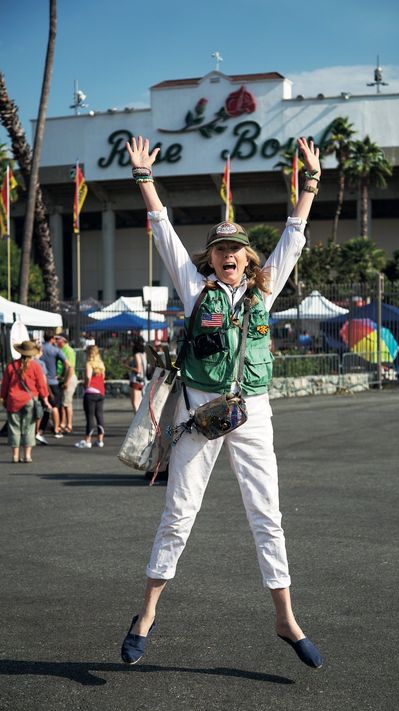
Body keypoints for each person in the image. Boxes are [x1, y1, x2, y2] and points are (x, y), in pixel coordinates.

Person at [120, 135, 324, 670]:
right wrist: (145, 180)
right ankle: (145, 614)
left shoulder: (264, 289)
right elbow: (163, 233)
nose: (229, 255)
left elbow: (295, 238)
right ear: (209, 259)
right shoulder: (196, 291)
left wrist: (311, 183)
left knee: (267, 516)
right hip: (199, 415)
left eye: (236, 249)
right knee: (178, 514)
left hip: (252, 414)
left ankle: (285, 618)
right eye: (219, 249)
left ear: (247, 257)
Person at [1, 340, 52, 463]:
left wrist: (3, 397)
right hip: (30, 400)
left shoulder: (11, 366)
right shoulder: (35, 366)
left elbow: (4, 385)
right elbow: (41, 385)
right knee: (29, 427)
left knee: (14, 428)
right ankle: (27, 455)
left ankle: (15, 456)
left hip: (13, 400)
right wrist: (45, 399)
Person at [38, 329, 70, 441]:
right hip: (53, 381)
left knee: (42, 407)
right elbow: (67, 364)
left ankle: (39, 430)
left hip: (41, 382)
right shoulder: (56, 350)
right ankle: (56, 429)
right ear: (52, 339)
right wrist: (62, 376)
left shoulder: (40, 349)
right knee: (55, 406)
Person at [75, 345, 106, 449]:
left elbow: (88, 376)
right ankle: (100, 440)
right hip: (100, 392)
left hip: (91, 392)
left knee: (90, 417)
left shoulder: (89, 364)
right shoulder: (101, 364)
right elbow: (103, 378)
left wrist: (86, 384)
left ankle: (87, 440)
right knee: (99, 415)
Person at [56, 333, 78, 433]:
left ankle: (68, 424)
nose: (56, 341)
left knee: (67, 403)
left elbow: (71, 367)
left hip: (68, 378)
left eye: (58, 339)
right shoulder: (60, 350)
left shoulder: (68, 350)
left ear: (63, 340)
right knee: (63, 402)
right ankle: (62, 423)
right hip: (62, 378)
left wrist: (67, 381)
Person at [127, 336, 147, 413]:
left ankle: (137, 422)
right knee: (139, 402)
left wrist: (128, 367)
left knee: (135, 403)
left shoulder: (136, 355)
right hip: (142, 380)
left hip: (135, 380)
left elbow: (138, 369)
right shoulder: (144, 354)